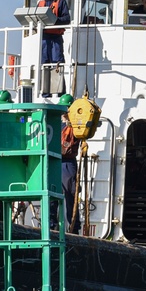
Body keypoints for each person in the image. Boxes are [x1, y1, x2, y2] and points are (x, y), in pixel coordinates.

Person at [36, 0, 71, 65]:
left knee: (57, 63)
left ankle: (58, 79)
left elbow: (67, 19)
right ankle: (43, 79)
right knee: (43, 64)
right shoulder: (40, 3)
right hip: (43, 38)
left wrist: (55, 20)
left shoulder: (61, 2)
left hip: (56, 38)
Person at [58, 94, 80, 233]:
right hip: (55, 161)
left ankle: (74, 227)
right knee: (53, 195)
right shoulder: (56, 122)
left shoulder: (76, 125)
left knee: (70, 196)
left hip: (67, 162)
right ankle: (52, 224)